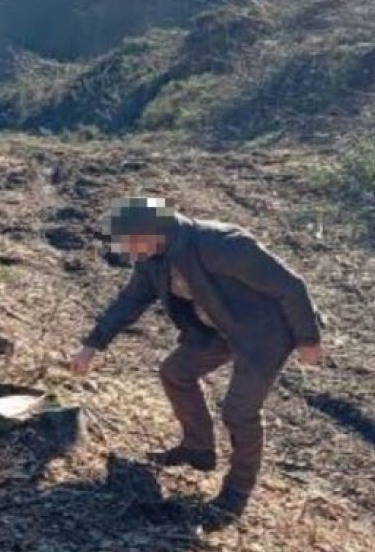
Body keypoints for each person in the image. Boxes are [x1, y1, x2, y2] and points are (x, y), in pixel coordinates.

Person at [69, 197, 324, 517]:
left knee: (238, 410)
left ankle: (236, 492)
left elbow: (290, 286)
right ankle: (198, 448)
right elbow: (129, 302)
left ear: (153, 230)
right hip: (217, 329)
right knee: (175, 372)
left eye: (130, 242)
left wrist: (307, 339)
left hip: (265, 333)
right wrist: (92, 345)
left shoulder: (221, 244)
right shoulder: (152, 259)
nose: (128, 251)